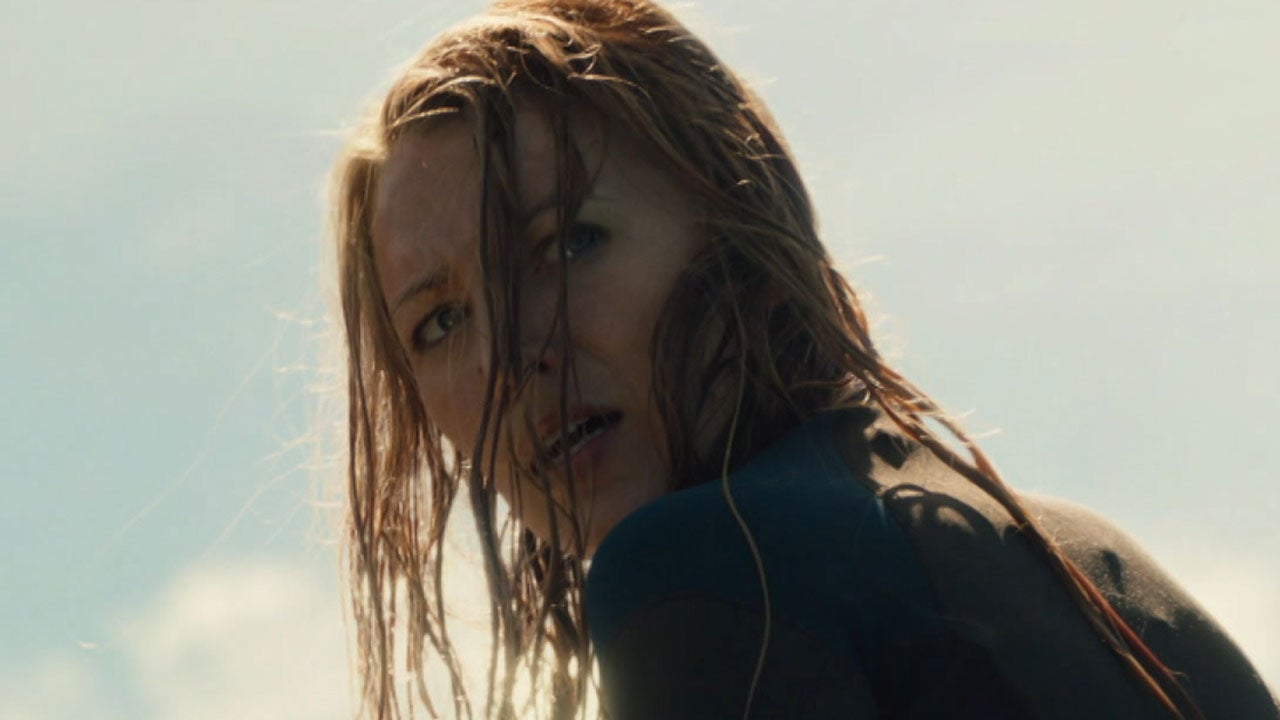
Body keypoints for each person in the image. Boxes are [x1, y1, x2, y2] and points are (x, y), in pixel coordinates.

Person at [330, 0, 1279, 718]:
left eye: (568, 244)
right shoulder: (1099, 569)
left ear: (733, 218)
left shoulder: (700, 565)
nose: (509, 359)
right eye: (441, 322)